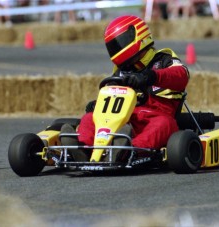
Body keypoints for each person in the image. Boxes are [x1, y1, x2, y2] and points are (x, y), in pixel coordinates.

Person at [61, 15, 190, 162]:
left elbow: (182, 75)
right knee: (89, 118)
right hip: (125, 119)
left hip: (156, 117)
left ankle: (128, 150)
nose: (116, 48)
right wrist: (98, 105)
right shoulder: (121, 70)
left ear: (138, 37)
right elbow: (112, 94)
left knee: (165, 125)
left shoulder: (163, 59)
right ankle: (83, 149)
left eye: (118, 43)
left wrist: (151, 76)